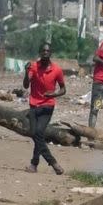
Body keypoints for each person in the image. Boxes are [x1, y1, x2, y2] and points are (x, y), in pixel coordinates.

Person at [23, 42, 66, 175]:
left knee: (38, 133)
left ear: (51, 53)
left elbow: (63, 89)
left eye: (47, 51)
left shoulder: (57, 70)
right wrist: (26, 72)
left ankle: (50, 163)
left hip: (48, 105)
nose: (45, 53)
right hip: (34, 105)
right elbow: (25, 85)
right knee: (36, 134)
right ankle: (35, 164)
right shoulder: (33, 67)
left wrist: (53, 94)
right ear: (40, 53)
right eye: (43, 51)